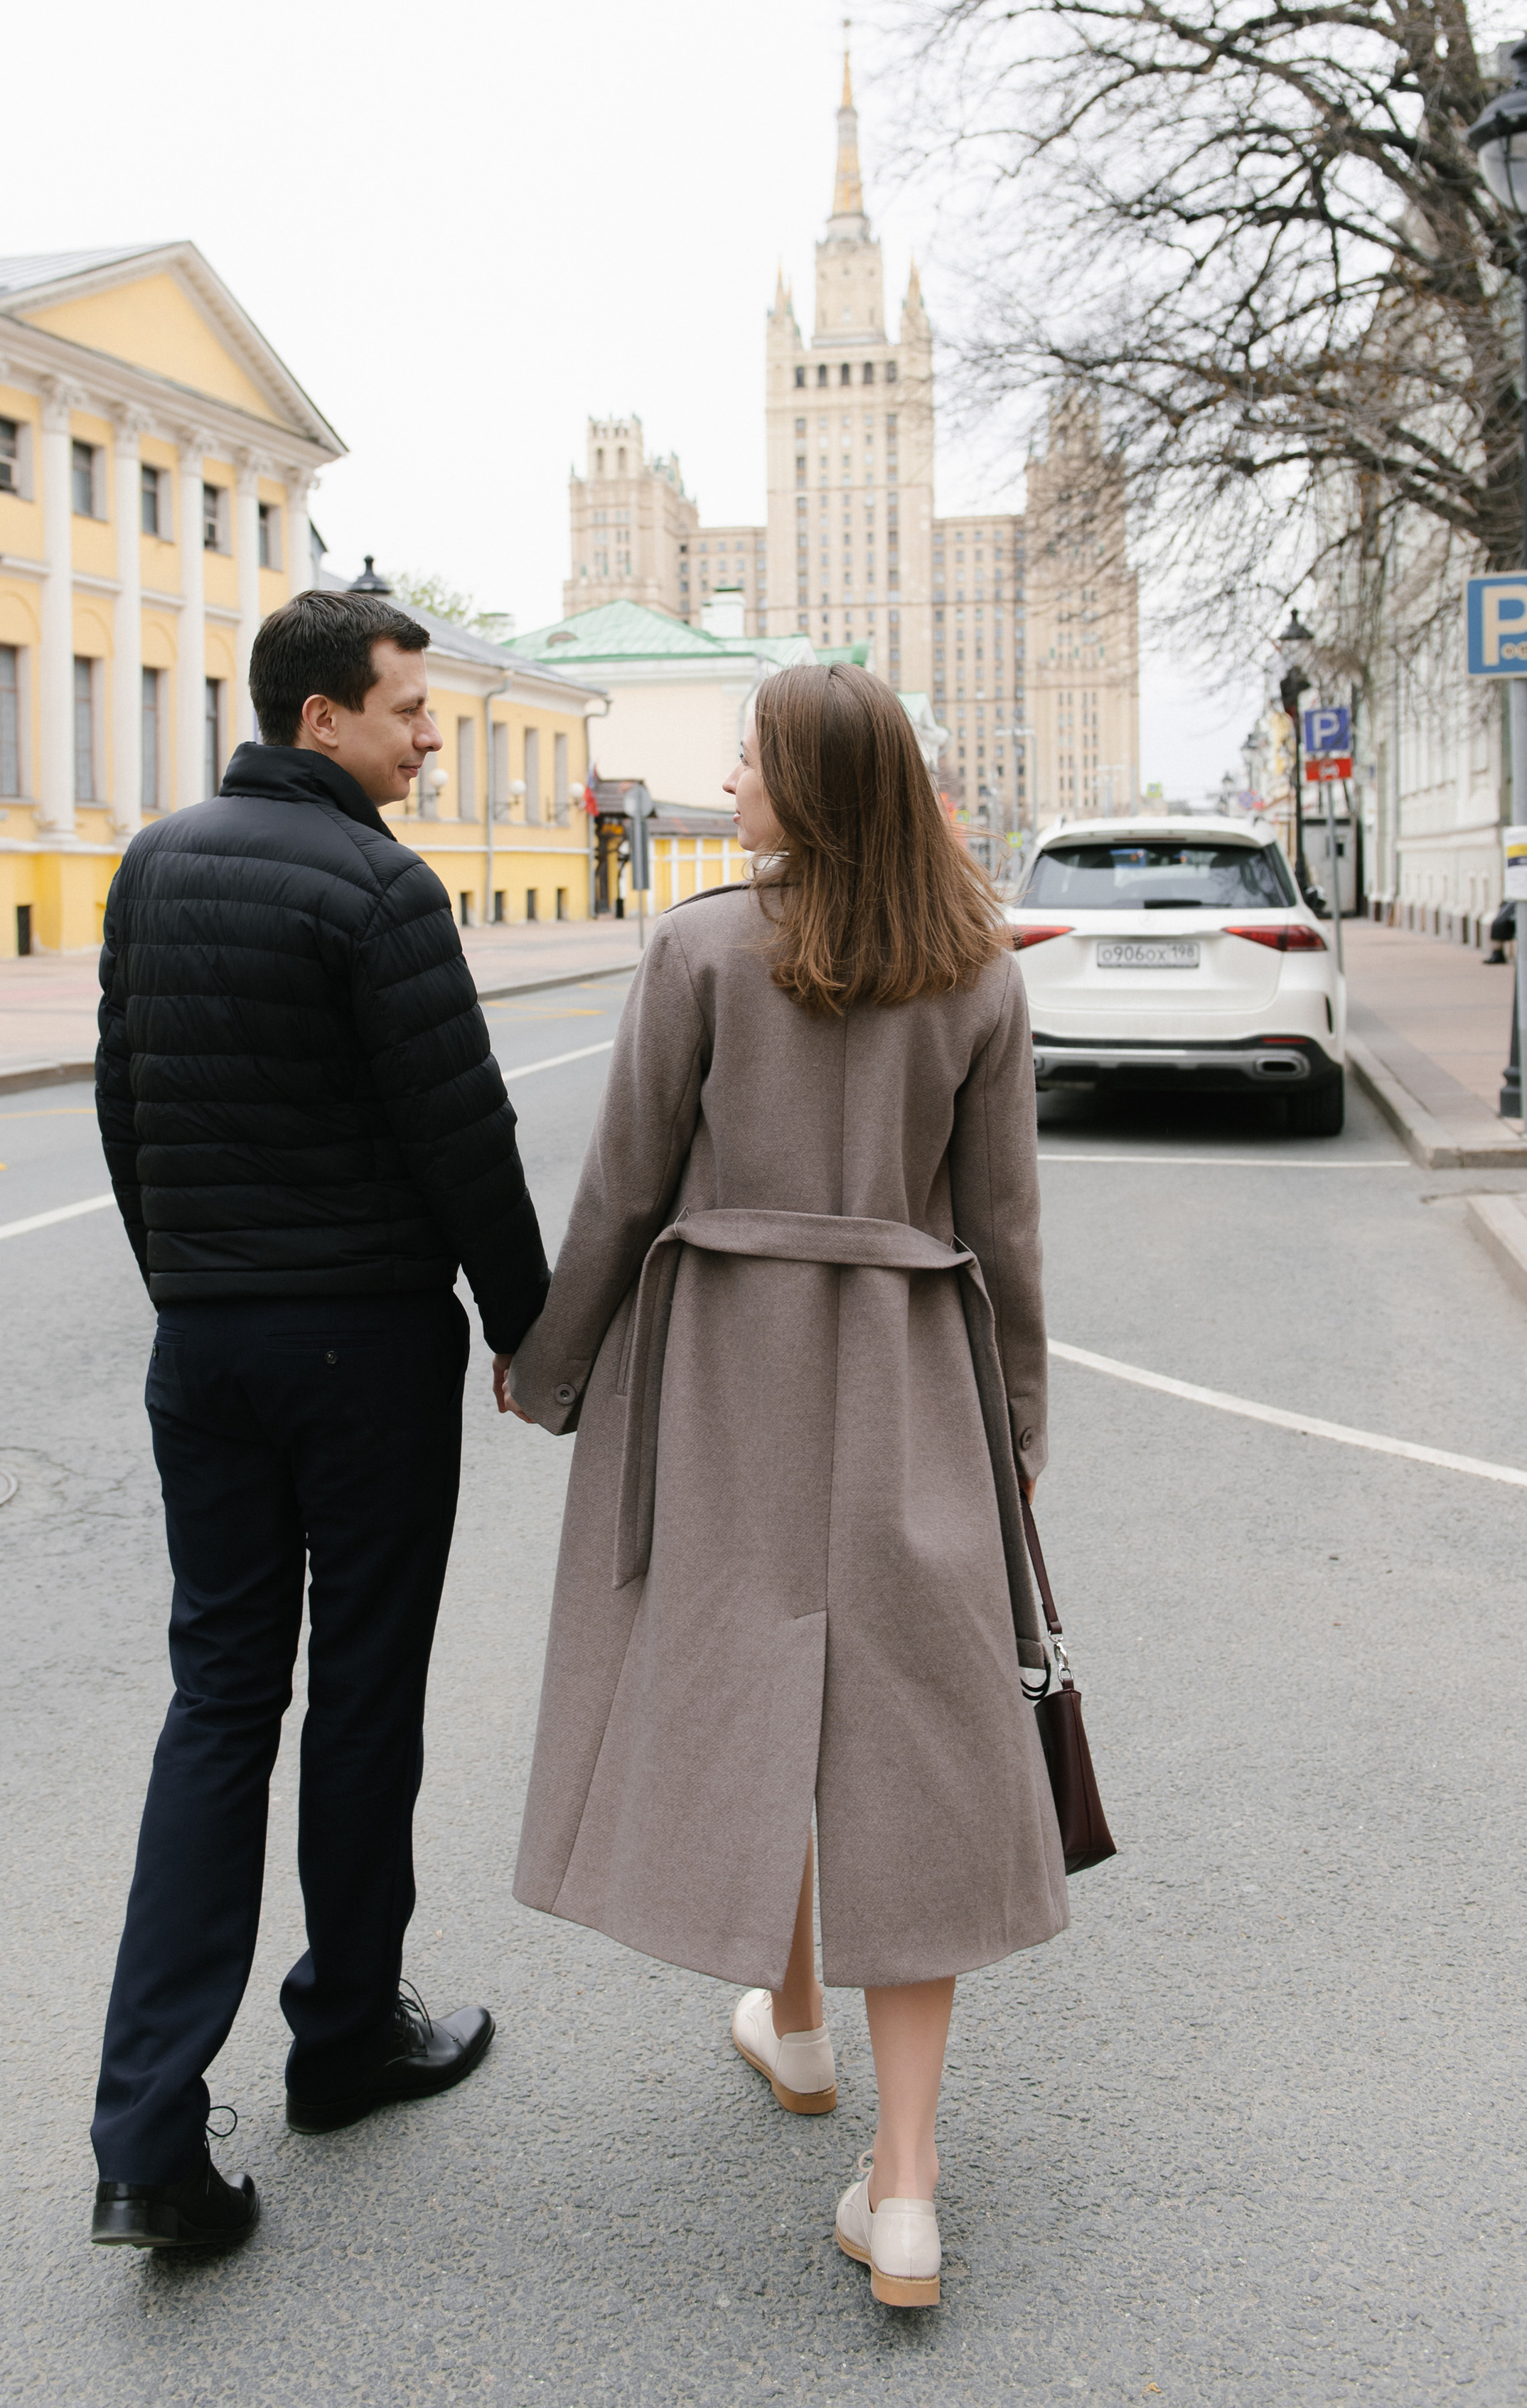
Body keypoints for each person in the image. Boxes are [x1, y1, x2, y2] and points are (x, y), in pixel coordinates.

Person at [498, 663, 1068, 2309]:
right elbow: (1005, 1232)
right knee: (904, 1740)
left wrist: (548, 1369)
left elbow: (619, 1188)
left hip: (725, 1372)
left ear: (805, 787)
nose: (729, 781)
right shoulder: (973, 972)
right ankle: (895, 2178)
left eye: (746, 759)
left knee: (760, 1687)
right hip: (905, 1376)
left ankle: (802, 2036)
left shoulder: (692, 948)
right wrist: (1011, 1425)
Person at [89, 588, 550, 2252]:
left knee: (217, 1704)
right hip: (360, 1348)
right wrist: (526, 1331)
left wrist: (192, 1287)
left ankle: (146, 2138)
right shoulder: (380, 884)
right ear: (319, 725)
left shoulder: (151, 863)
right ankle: (344, 2031)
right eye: (406, 707)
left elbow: (122, 1104)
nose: (429, 731)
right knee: (358, 1694)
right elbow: (463, 1138)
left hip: (203, 1351)